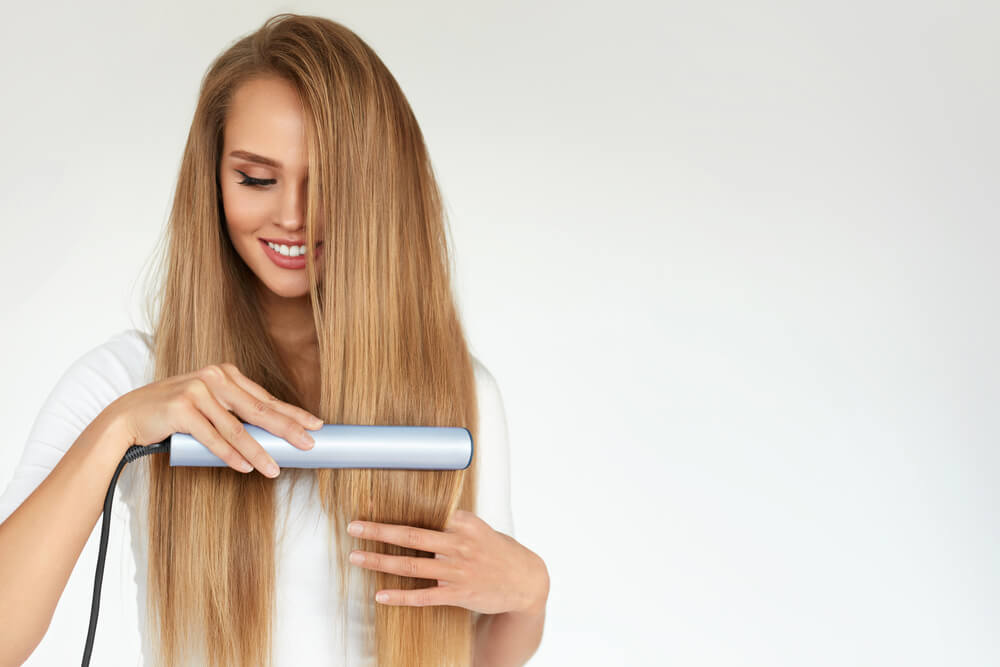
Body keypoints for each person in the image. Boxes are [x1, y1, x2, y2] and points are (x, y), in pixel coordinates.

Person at [0, 13, 548, 667]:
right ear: (212, 181)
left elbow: (478, 654)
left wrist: (529, 595)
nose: (291, 215)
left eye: (329, 183)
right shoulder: (125, 381)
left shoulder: (461, 393)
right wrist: (119, 427)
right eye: (257, 179)